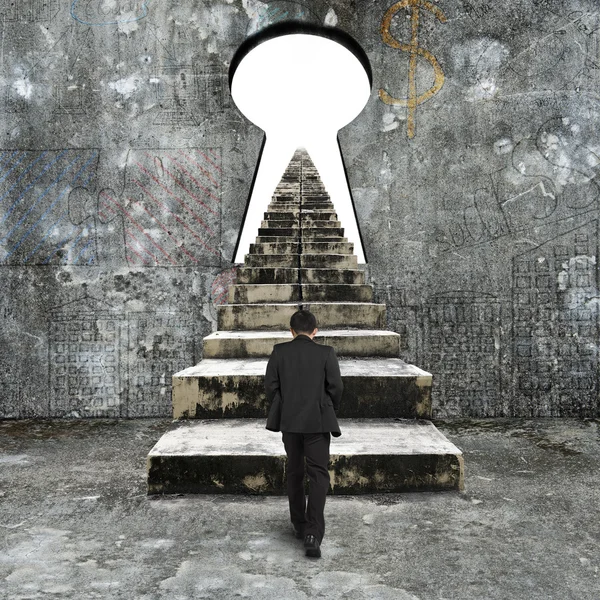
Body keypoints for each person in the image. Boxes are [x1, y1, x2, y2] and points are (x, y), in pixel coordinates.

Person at [264, 309, 343, 558]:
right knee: (318, 475)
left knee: (295, 472)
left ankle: (299, 526)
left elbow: (270, 387)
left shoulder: (279, 352)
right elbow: (336, 387)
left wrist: (286, 408)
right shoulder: (326, 353)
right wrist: (325, 406)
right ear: (315, 331)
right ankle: (313, 532)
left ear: (291, 331)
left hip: (290, 423)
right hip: (318, 423)